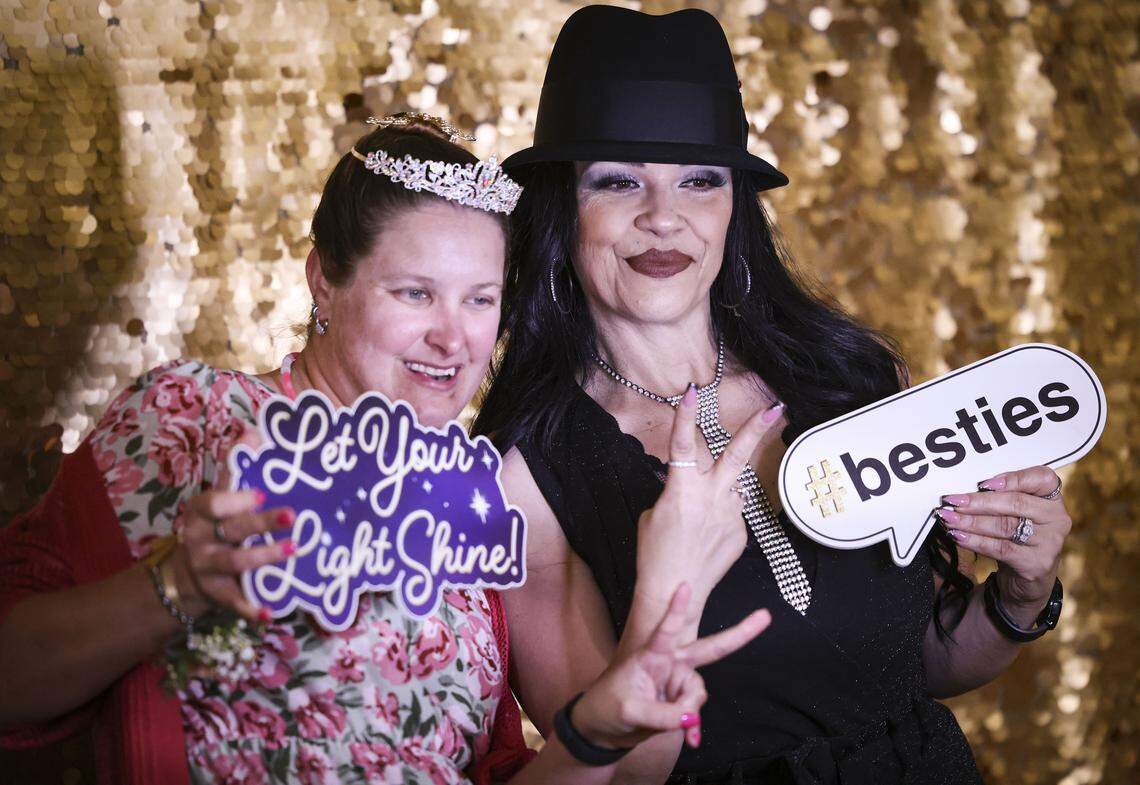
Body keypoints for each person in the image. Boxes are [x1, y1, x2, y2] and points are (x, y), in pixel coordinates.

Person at [0, 114, 773, 784]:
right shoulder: (193, 416)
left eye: (480, 299)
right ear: (324, 282)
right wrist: (172, 586)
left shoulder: (470, 501)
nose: (452, 337)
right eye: (415, 293)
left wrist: (591, 732)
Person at [474, 6, 1076, 784]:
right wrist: (669, 589)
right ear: (564, 206)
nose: (664, 217)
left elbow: (919, 662)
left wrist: (1022, 596)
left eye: (700, 180)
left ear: (735, 204)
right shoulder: (525, 478)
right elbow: (621, 771)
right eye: (619, 180)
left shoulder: (847, 379)